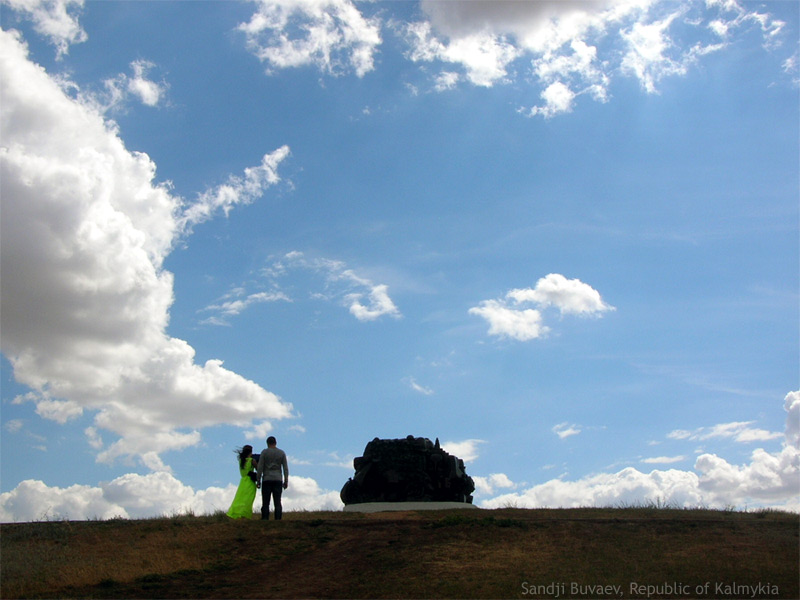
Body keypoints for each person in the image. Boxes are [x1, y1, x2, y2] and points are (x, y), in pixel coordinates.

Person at [256, 436, 289, 520]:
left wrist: (258, 480)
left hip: (267, 478)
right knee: (277, 501)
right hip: (278, 479)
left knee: (266, 502)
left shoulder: (264, 452)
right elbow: (285, 468)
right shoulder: (281, 453)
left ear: (267, 443)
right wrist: (286, 480)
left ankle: (265, 518)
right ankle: (278, 519)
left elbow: (260, 467)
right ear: (275, 442)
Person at [226, 445, 258, 519]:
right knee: (248, 499)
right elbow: (258, 469)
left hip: (243, 481)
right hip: (250, 482)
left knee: (240, 498)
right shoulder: (251, 461)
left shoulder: (241, 461)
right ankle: (245, 514)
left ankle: (238, 513)